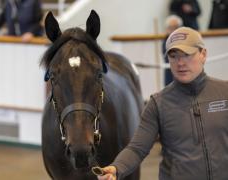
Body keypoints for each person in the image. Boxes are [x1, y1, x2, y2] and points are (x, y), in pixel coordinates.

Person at [97, 27, 228, 180]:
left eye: (186, 55)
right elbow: (137, 148)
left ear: (203, 54)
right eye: (173, 56)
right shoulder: (157, 104)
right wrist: (116, 168)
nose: (180, 63)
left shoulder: (224, 92)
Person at [162, 15, 183, 85]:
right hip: (170, 76)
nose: (174, 30)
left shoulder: (185, 41)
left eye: (176, 27)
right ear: (167, 29)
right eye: (171, 28)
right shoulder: (165, 42)